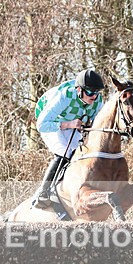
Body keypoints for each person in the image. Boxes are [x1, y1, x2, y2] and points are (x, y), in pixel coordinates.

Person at [32, 69, 105, 208]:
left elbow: (98, 123)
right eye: (90, 92)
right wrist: (68, 124)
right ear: (79, 89)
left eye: (96, 92)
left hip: (73, 123)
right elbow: (41, 125)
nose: (94, 97)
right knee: (64, 152)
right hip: (52, 123)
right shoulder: (64, 97)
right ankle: (43, 193)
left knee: (81, 154)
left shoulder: (97, 101)